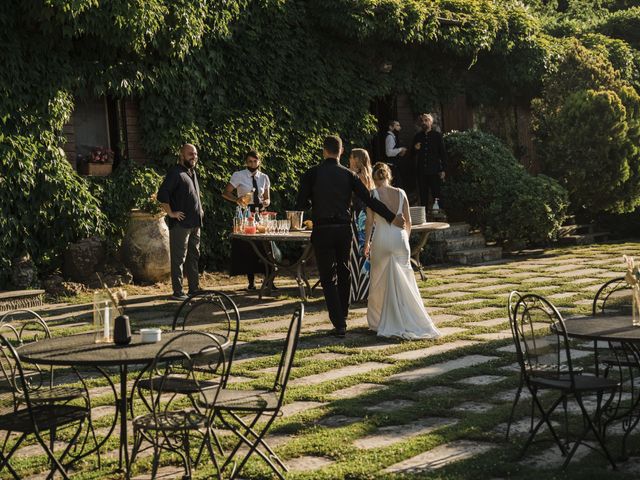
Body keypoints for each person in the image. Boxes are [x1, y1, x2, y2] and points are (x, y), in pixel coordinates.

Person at [295, 135, 405, 338]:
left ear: (323, 150)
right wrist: (391, 217)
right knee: (344, 272)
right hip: (343, 229)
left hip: (323, 229)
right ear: (341, 151)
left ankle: (339, 322)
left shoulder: (312, 174)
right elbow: (369, 199)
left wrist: (315, 202)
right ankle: (342, 316)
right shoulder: (348, 175)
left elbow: (300, 203)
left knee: (328, 277)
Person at [363, 163, 440, 340]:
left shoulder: (373, 194)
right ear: (388, 176)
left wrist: (366, 243)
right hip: (400, 239)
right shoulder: (401, 193)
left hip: (382, 239)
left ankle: (377, 321)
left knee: (378, 281)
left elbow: (369, 222)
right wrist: (404, 238)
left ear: (374, 178)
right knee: (406, 280)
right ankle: (410, 318)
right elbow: (408, 222)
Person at [157, 144, 204, 301]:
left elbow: (195, 195)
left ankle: (193, 289)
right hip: (181, 225)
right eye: (190, 154)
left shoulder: (192, 172)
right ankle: (178, 292)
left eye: (195, 154)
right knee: (179, 258)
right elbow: (162, 194)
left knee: (194, 256)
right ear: (182, 155)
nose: (194, 156)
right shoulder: (175, 173)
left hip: (195, 223)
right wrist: (171, 213)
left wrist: (200, 210)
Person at [222, 150, 271, 290]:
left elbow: (268, 197)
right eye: (249, 161)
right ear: (246, 162)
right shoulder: (238, 175)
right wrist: (237, 199)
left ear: (259, 162)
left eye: (255, 161)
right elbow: (226, 193)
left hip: (261, 213)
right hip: (246, 212)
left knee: (265, 245)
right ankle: (251, 282)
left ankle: (269, 280)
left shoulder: (264, 177)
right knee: (249, 247)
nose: (252, 164)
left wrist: (266, 202)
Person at [348, 149, 375, 303]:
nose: (349, 160)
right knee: (366, 252)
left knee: (358, 253)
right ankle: (366, 290)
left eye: (351, 157)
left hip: (359, 218)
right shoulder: (369, 175)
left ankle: (358, 292)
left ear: (357, 160)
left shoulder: (356, 177)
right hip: (368, 217)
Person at [412, 113, 447, 209]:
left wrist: (443, 169)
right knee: (423, 195)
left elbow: (442, 154)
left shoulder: (437, 136)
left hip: (434, 171)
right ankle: (424, 217)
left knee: (437, 194)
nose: (424, 122)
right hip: (421, 171)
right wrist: (415, 148)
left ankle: (439, 216)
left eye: (426, 120)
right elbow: (411, 154)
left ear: (431, 122)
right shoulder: (417, 136)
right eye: (422, 121)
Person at [384, 120, 407, 188]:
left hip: (395, 165)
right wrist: (401, 149)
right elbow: (389, 153)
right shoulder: (390, 137)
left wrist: (400, 152)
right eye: (397, 125)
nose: (399, 127)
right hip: (391, 166)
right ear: (391, 127)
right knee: (397, 186)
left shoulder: (393, 137)